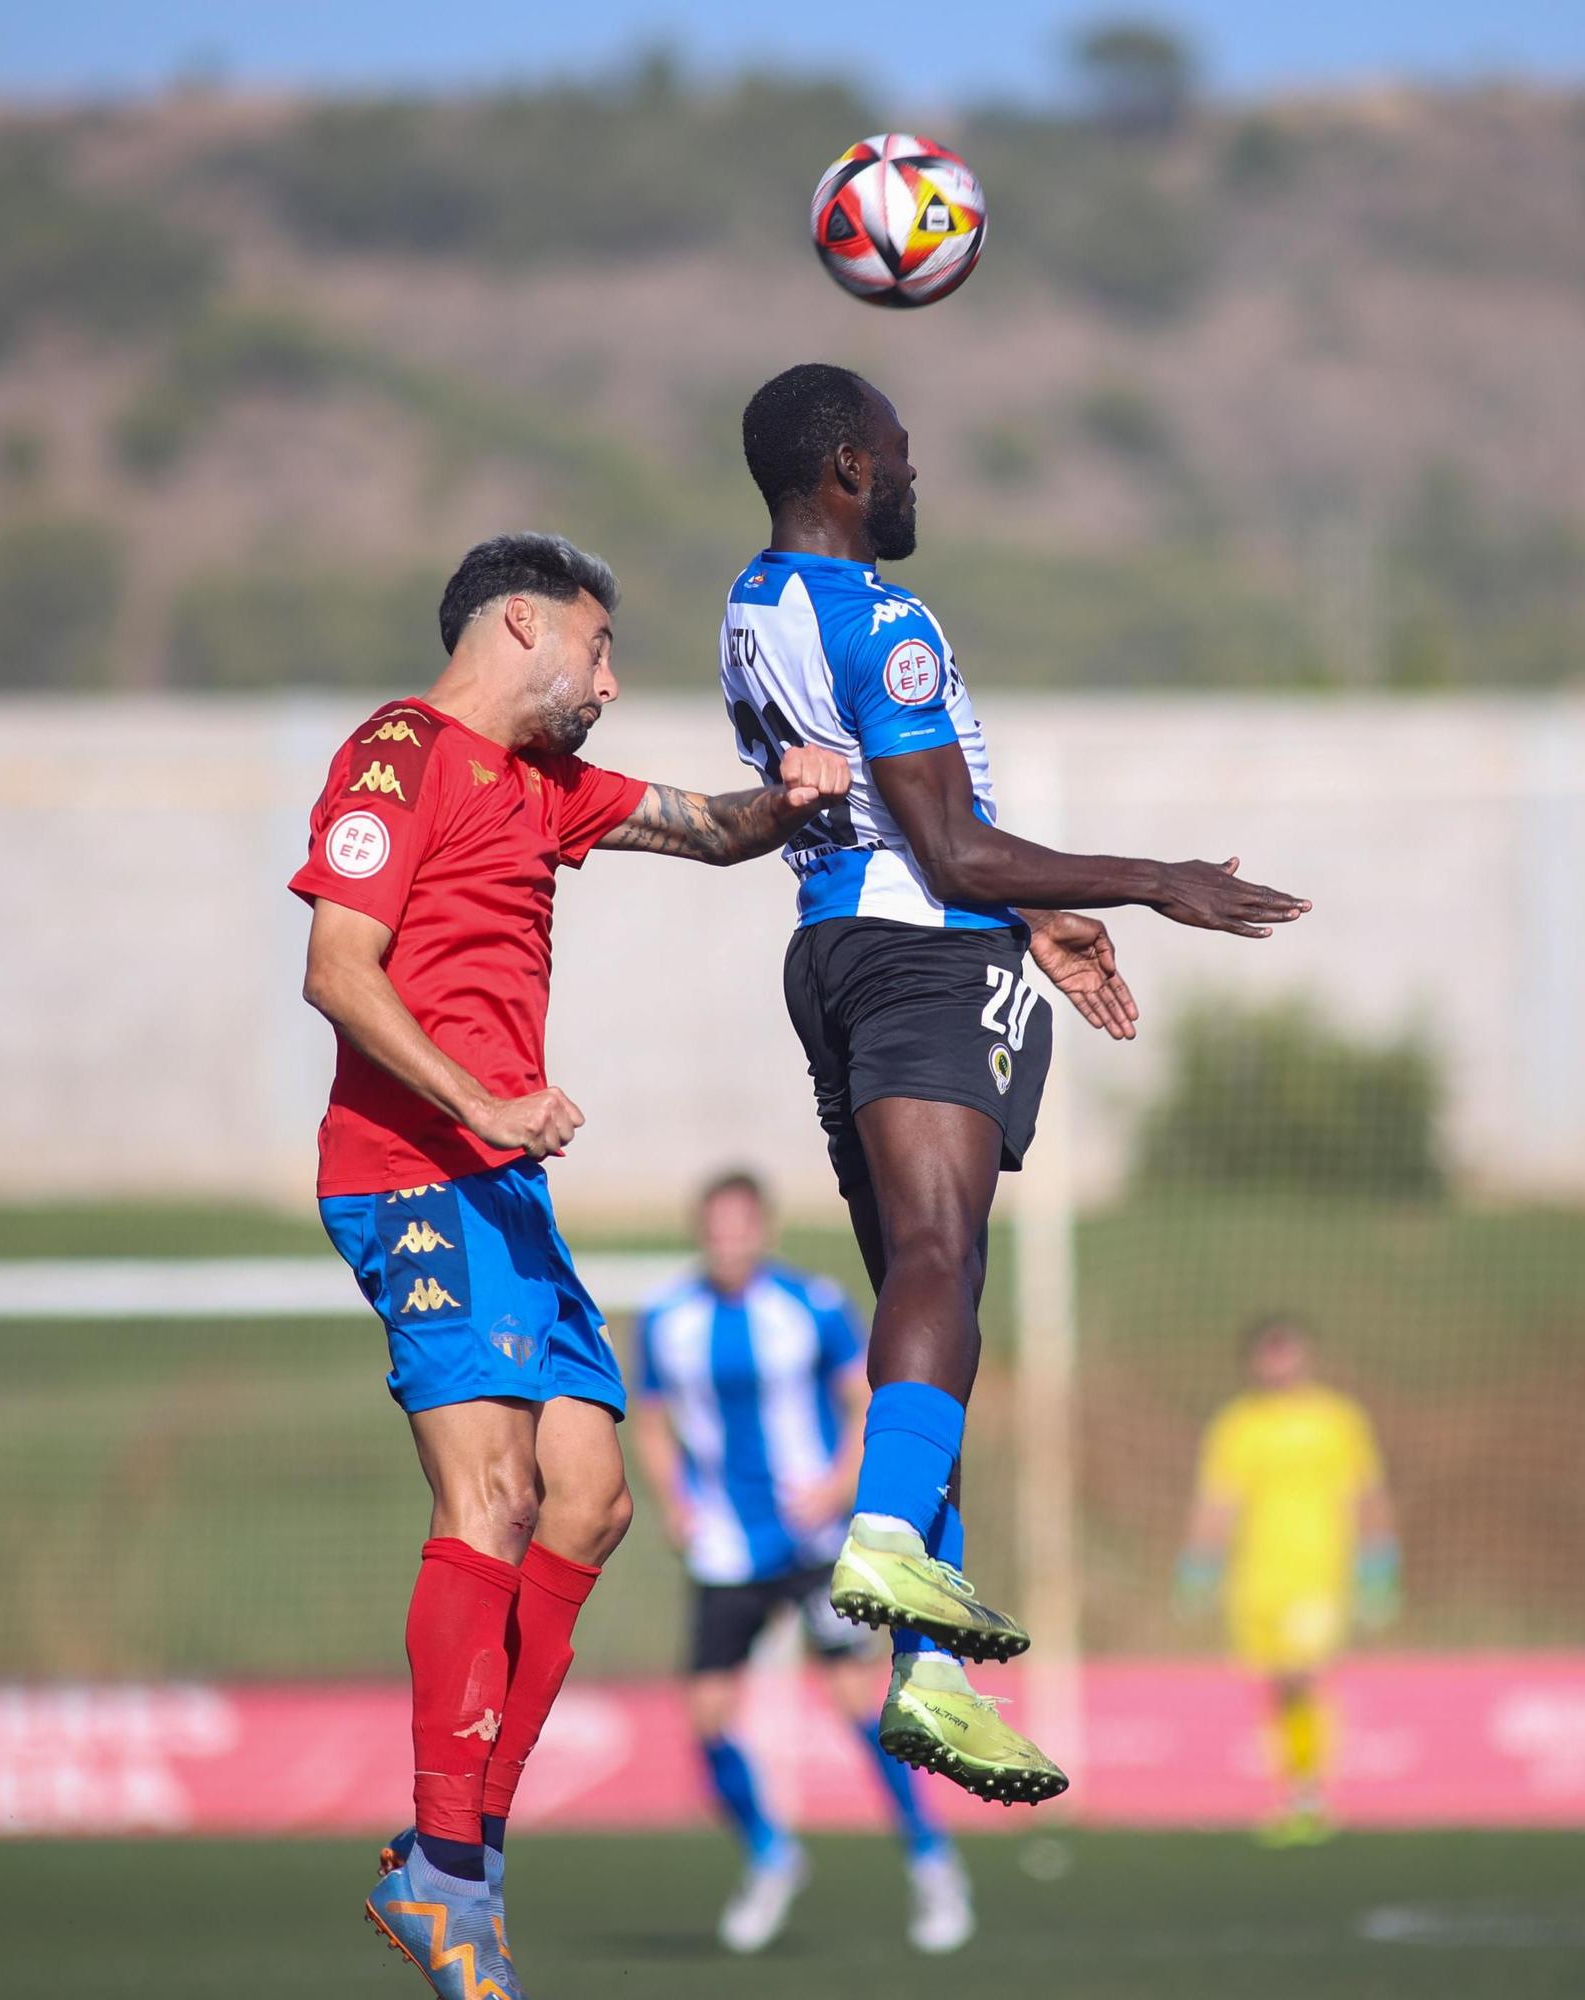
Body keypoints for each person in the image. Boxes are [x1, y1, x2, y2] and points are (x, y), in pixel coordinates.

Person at [720, 363, 1313, 1806]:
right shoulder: (884, 621)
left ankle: (928, 1668)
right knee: (941, 1260)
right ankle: (884, 1541)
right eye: (899, 453)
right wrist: (1152, 878)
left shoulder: (750, 604)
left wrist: (1032, 910)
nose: (913, 475)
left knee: (924, 1312)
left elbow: (886, 819)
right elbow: (946, 850)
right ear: (848, 467)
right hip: (923, 959)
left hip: (831, 953)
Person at [290, 531, 850, 2000]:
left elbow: (706, 827)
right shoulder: (397, 754)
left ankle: (451, 1857)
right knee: (489, 1495)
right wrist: (479, 1102)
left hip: (500, 1183)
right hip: (412, 1172)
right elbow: (335, 969)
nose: (609, 680)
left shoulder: (545, 785)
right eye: (598, 649)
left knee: (590, 1503)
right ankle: (449, 1869)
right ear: (522, 625)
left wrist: (793, 793)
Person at [633, 1170, 973, 1957]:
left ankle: (930, 1860)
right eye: (715, 1227)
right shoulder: (666, 1317)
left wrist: (836, 1485)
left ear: (763, 1230)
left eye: (740, 1226)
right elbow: (650, 1422)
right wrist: (675, 1503)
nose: (728, 1241)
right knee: (707, 1716)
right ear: (700, 1233)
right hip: (726, 1547)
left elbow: (863, 1399)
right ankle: (770, 1855)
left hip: (813, 1543)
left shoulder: (810, 1306)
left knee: (858, 1702)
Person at [1177, 1315, 1400, 1844]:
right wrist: (1198, 1568)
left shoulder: (1337, 1420)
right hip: (1256, 1578)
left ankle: (1311, 1796)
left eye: (1288, 1352)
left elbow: (1367, 1494)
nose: (1279, 1364)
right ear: (1254, 1363)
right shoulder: (1238, 1425)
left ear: (1306, 1357)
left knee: (1304, 1674)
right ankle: (1297, 1793)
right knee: (1279, 1684)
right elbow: (1218, 1502)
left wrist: (1379, 1565)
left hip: (1319, 1572)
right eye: (1269, 1354)